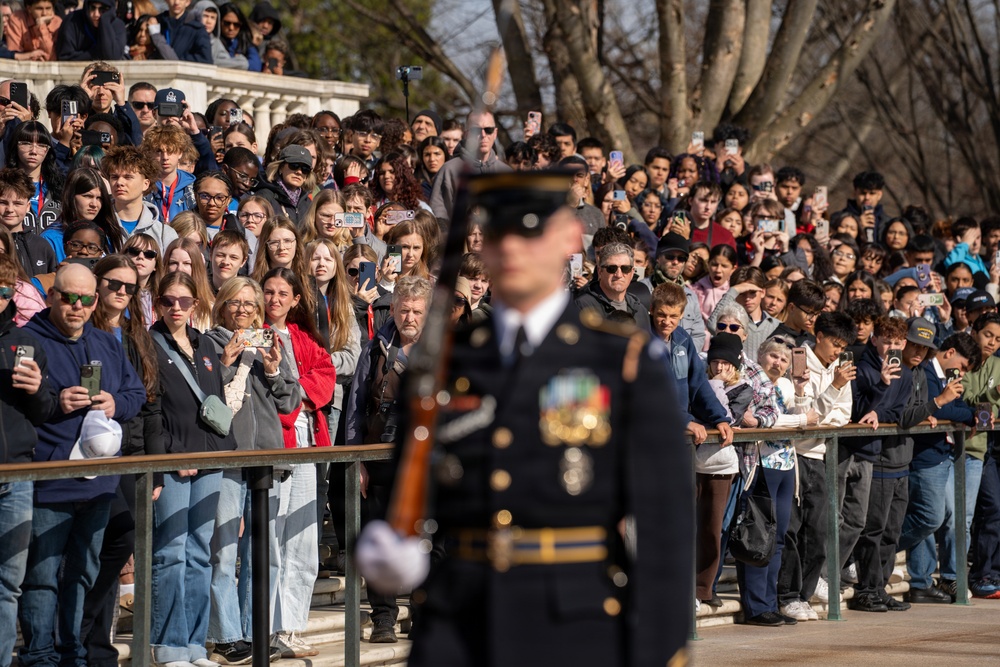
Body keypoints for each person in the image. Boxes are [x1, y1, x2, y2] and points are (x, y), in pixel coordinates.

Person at [363, 172, 693, 666]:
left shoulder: (620, 360)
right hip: (458, 629)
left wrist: (661, 652)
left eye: (530, 232)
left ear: (565, 239)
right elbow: (420, 490)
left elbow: (664, 525)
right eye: (497, 234)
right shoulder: (446, 365)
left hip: (574, 628)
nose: (512, 248)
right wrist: (392, 542)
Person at [19, 264, 145, 667]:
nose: (77, 306)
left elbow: (135, 393)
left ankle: (72, 652)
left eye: (86, 299)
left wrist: (115, 403)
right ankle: (40, 656)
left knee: (83, 573)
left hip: (97, 481)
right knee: (41, 577)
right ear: (53, 295)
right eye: (69, 297)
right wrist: (57, 402)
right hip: (48, 479)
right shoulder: (28, 340)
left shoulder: (107, 342)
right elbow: (17, 403)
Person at [205, 276, 299, 663]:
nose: (242, 311)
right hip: (228, 458)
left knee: (264, 553)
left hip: (267, 458)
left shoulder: (269, 342)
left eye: (249, 305)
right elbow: (208, 399)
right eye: (234, 304)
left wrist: (274, 370)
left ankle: (255, 630)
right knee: (225, 551)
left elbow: (290, 400)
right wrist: (226, 363)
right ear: (222, 306)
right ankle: (226, 637)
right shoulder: (209, 343)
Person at [80, 253, 165, 665]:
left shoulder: (135, 336)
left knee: (120, 541)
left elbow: (150, 404)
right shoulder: (81, 331)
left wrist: (155, 465)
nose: (120, 292)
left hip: (131, 458)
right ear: (97, 285)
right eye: (113, 283)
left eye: (129, 287)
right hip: (87, 456)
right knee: (94, 548)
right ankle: (79, 634)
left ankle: (96, 643)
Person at [148, 270, 236, 664]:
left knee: (201, 553)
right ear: (158, 303)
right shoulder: (148, 344)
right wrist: (168, 454)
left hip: (209, 457)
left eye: (184, 301)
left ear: (195, 305)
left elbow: (214, 401)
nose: (177, 308)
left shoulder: (205, 345)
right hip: (172, 460)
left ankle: (195, 645)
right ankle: (169, 645)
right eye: (169, 301)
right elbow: (149, 408)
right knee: (170, 552)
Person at [857, 327, 976, 609]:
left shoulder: (915, 373)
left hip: (903, 458)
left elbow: (917, 411)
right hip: (885, 458)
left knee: (889, 531)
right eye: (911, 346)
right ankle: (864, 583)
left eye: (924, 348)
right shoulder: (877, 369)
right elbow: (904, 414)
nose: (918, 352)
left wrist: (929, 409)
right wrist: (933, 406)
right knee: (882, 529)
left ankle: (880, 588)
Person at [262, 267, 336, 657]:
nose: (274, 299)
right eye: (268, 292)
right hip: (276, 440)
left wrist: (297, 393)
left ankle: (291, 626)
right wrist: (292, 398)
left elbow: (326, 373)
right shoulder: (254, 334)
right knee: (273, 533)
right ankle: (268, 625)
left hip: (309, 439)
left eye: (282, 293)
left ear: (295, 300)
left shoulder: (303, 337)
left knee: (304, 535)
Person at [777, 313, 857, 621]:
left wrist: (831, 398)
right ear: (818, 335)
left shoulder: (837, 369)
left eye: (843, 346)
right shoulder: (799, 362)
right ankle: (786, 595)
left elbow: (843, 415)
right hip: (794, 455)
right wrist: (834, 388)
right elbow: (808, 415)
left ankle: (804, 594)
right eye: (835, 343)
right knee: (792, 530)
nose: (838, 351)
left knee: (820, 530)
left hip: (822, 455)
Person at [0, 253, 56, 667]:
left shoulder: (25, 343)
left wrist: (38, 389)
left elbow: (43, 412)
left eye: (3, 291)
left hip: (17, 474)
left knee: (8, 584)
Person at [428, 110, 511, 221]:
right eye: (476, 130)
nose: (483, 135)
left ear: (495, 133)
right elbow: (439, 217)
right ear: (466, 134)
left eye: (488, 130)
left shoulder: (506, 172)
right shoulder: (449, 170)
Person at [102, 144, 178, 249]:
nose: (119, 182)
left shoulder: (164, 234)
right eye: (114, 177)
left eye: (128, 177)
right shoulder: (97, 227)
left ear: (145, 184)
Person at [574, 241, 651, 329]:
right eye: (612, 268)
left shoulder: (640, 310)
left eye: (625, 268)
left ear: (632, 272)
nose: (618, 274)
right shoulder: (583, 306)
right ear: (600, 271)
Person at [0, 167, 56, 278]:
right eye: (3, 202)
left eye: (18, 203)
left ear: (28, 207)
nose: (10, 209)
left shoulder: (42, 246)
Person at [256, 144, 314, 225]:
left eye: (305, 169)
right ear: (280, 167)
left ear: (306, 176)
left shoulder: (308, 202)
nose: (299, 172)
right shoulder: (265, 197)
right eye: (294, 165)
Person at [55, 0, 126, 61]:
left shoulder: (117, 25)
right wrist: (98, 52)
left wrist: (105, 20)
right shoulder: (72, 21)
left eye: (102, 10)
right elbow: (65, 57)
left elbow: (112, 57)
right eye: (92, 8)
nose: (96, 14)